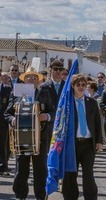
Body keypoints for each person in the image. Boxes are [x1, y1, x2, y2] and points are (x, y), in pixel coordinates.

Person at [4, 67, 55, 200]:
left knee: (40, 171)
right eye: (28, 77)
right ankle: (20, 196)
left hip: (40, 137)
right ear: (24, 79)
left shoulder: (44, 93)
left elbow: (53, 112)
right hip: (21, 138)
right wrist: (13, 119)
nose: (31, 79)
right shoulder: (15, 93)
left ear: (38, 80)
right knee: (21, 171)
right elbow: (7, 113)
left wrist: (47, 116)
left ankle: (41, 197)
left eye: (34, 77)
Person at [62, 74, 103, 200]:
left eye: (83, 85)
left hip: (88, 143)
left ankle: (91, 197)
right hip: (71, 143)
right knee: (70, 174)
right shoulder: (67, 103)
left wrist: (100, 141)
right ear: (73, 86)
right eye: (78, 85)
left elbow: (97, 122)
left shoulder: (92, 102)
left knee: (88, 174)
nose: (81, 87)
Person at [40, 59, 65, 150]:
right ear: (51, 70)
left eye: (60, 69)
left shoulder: (67, 87)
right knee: (48, 151)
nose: (58, 71)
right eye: (55, 69)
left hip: (63, 124)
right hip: (48, 125)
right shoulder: (43, 86)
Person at [0, 74, 12, 175]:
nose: (4, 78)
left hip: (3, 119)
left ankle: (3, 164)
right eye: (2, 77)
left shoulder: (9, 89)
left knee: (3, 142)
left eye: (6, 77)